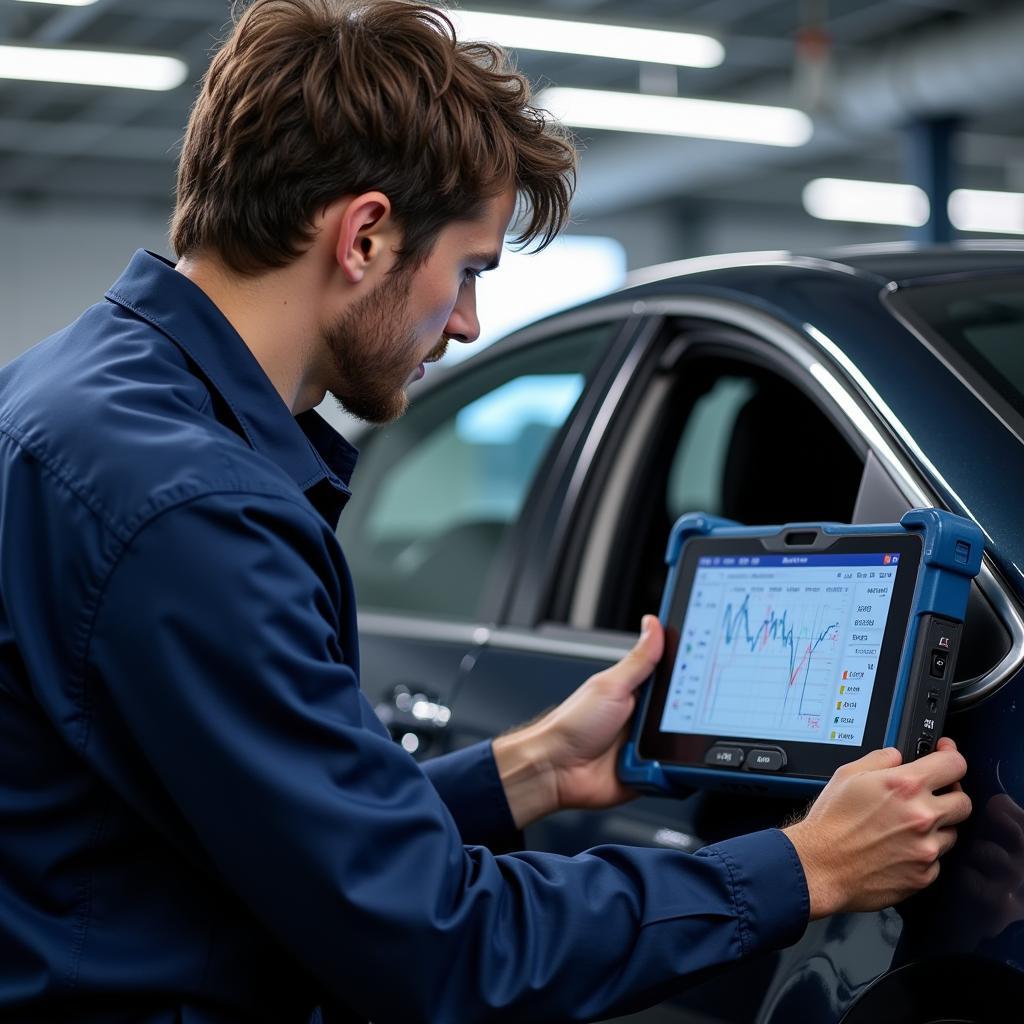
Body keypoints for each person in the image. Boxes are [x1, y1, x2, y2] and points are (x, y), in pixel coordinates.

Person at [0, 1, 971, 1021]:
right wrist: (801, 865)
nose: (465, 322)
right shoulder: (192, 513)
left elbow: (267, 834)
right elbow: (435, 942)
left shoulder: (66, 400)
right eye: (468, 270)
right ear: (366, 235)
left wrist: (531, 766)